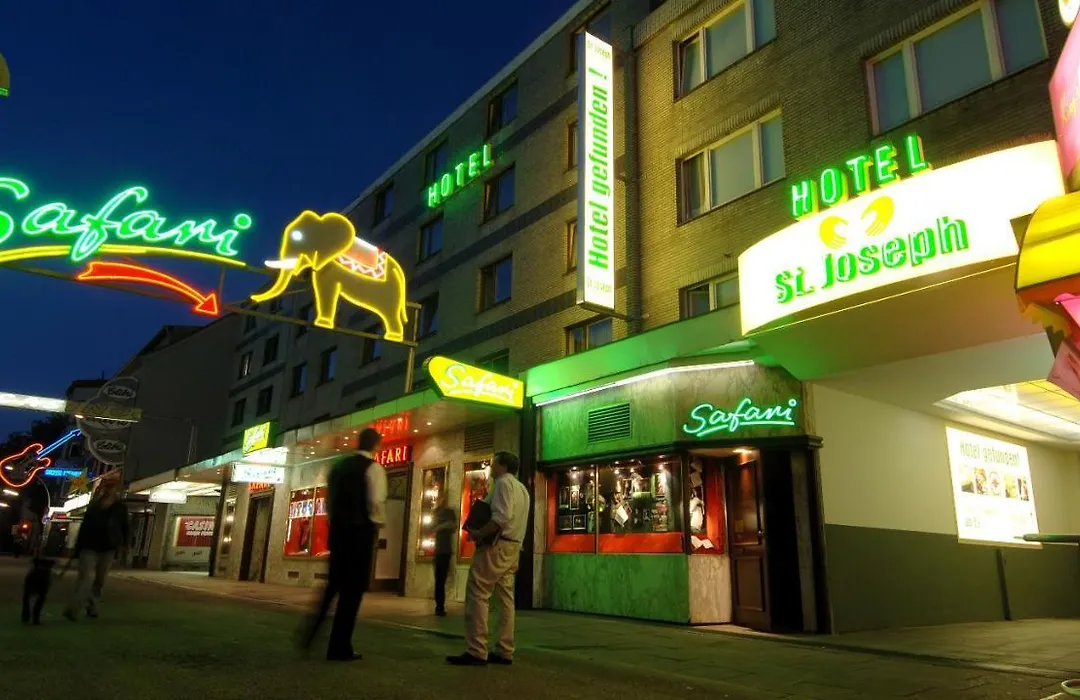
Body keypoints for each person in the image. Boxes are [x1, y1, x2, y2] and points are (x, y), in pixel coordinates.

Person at [299, 428, 386, 661]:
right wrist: (378, 523)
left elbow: (329, 501)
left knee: (333, 585)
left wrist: (335, 522)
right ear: (376, 445)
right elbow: (376, 503)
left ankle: (310, 633)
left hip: (338, 533)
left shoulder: (339, 467)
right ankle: (339, 645)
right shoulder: (374, 469)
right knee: (352, 592)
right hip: (360, 534)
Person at [447, 451, 530, 666]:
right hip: (513, 547)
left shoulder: (502, 484)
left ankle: (477, 649)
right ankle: (504, 649)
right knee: (505, 599)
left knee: (478, 591)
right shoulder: (522, 489)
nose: (491, 467)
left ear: (503, 466)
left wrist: (479, 533)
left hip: (496, 546)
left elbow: (501, 517)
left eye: (494, 463)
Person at [64, 480, 129, 621]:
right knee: (86, 577)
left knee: (99, 580)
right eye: (107, 487)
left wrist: (124, 545)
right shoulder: (94, 506)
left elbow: (125, 527)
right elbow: (84, 526)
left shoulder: (120, 508)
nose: (109, 490)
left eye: (112, 488)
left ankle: (92, 607)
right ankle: (73, 608)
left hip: (108, 548)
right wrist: (77, 547)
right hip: (89, 546)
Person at [432, 494, 456, 616]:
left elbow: (453, 526)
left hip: (445, 550)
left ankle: (440, 605)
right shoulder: (436, 512)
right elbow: (432, 527)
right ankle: (439, 606)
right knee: (439, 579)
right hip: (439, 550)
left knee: (442, 579)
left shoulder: (449, 512)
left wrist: (440, 527)